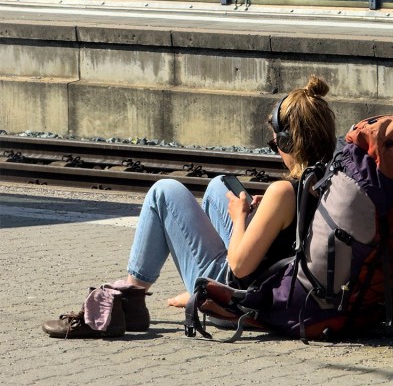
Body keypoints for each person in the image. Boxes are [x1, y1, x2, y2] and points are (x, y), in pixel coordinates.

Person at [42, 75, 337, 338]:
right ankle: (187, 284)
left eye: (275, 146)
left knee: (163, 192)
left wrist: (240, 219)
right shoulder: (328, 180)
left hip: (241, 295)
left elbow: (239, 266)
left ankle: (133, 297)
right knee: (219, 186)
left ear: (288, 142)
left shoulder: (283, 192)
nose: (276, 154)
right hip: (278, 279)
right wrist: (262, 216)